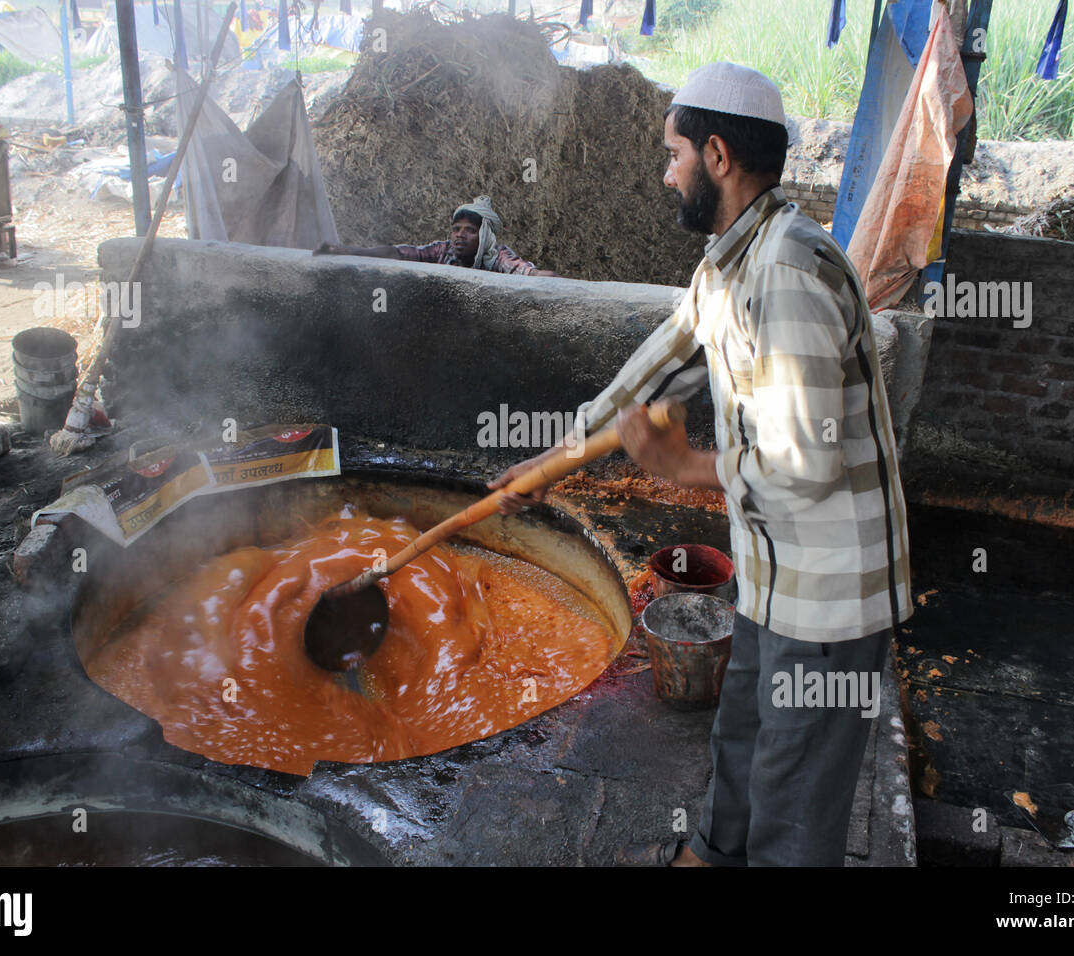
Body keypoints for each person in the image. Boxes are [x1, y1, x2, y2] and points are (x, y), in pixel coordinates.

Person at [488, 62, 912, 866]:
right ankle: (707, 857)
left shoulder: (788, 270)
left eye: (673, 153)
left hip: (828, 598)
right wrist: (546, 465)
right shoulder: (730, 262)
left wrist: (683, 466)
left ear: (717, 154)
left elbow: (805, 460)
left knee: (796, 793)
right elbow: (650, 374)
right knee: (743, 730)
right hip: (771, 576)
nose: (665, 171)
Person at [315, 196, 556, 276]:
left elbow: (528, 272)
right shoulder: (443, 251)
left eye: (470, 231)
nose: (460, 235)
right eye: (456, 229)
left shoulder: (498, 258)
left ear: (485, 237)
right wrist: (349, 250)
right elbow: (400, 253)